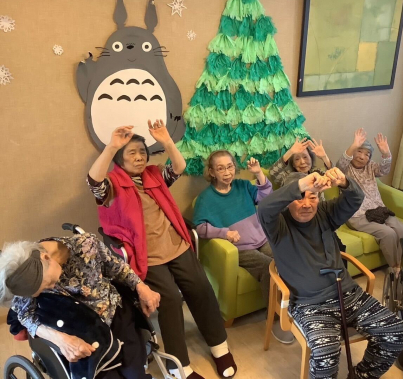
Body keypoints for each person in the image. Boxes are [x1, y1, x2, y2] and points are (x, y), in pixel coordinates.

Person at [86, 121, 236, 379]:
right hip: (146, 255)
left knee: (201, 287)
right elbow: (93, 181)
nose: (139, 157)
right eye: (131, 153)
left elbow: (179, 167)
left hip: (176, 245)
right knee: (171, 299)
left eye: (142, 152)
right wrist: (111, 146)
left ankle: (219, 347)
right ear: (120, 158)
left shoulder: (154, 175)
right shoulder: (111, 185)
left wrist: (166, 141)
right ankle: (179, 366)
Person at [257, 169, 403, 379]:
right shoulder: (277, 225)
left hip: (349, 295)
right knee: (326, 353)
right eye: (299, 198)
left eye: (312, 197)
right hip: (310, 305)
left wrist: (344, 182)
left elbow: (355, 198)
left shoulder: (324, 213)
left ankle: (362, 375)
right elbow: (265, 208)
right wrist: (301, 185)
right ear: (287, 201)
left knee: (396, 332)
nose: (306, 204)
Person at [1, 233, 160, 379]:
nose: (52, 288)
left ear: (46, 257)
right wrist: (60, 339)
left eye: (48, 283)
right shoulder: (26, 275)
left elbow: (117, 269)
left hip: (114, 314)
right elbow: (25, 315)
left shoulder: (86, 246)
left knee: (135, 374)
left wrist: (142, 287)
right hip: (79, 330)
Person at [193, 151, 294, 344]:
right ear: (212, 172)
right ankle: (274, 319)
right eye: (220, 168)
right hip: (240, 248)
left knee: (287, 258)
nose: (227, 172)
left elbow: (266, 198)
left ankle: (294, 308)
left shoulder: (243, 186)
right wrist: (224, 233)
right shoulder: (206, 199)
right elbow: (200, 227)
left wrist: (258, 173)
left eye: (230, 166)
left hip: (261, 239)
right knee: (268, 267)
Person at [336, 128, 403, 275]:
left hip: (379, 210)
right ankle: (395, 268)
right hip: (357, 215)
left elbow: (384, 170)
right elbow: (340, 164)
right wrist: (354, 145)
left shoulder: (371, 167)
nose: (362, 156)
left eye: (367, 154)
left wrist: (386, 153)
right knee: (388, 233)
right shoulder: (345, 169)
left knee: (401, 229)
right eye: (359, 151)